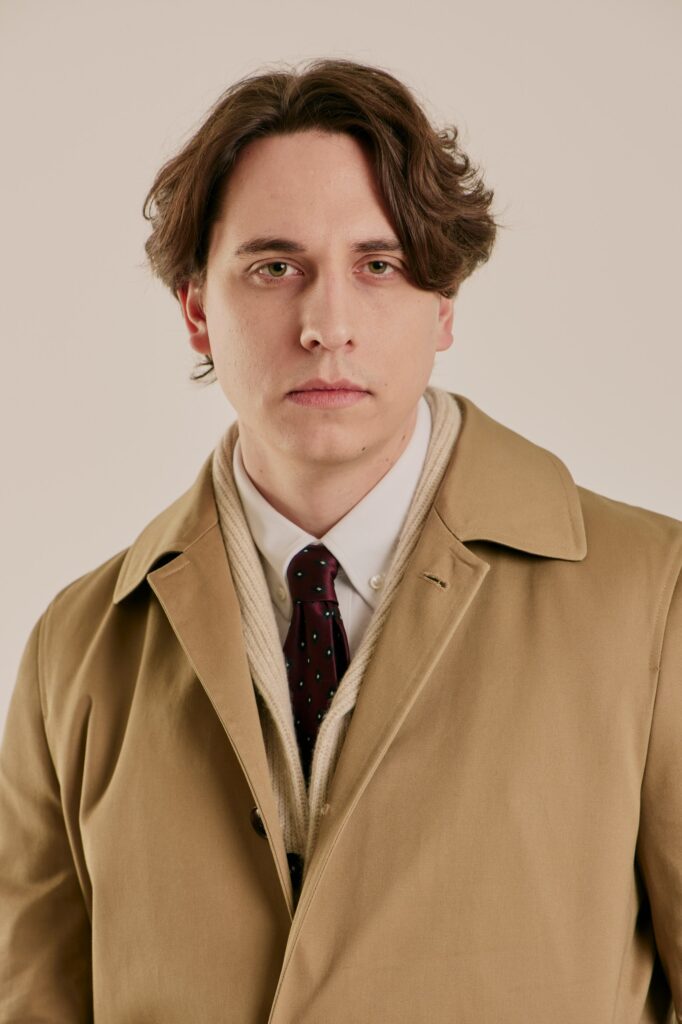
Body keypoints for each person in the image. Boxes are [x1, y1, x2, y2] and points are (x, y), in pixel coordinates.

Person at [0, 57, 680, 1024]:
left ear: (444, 305)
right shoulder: (75, 652)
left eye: (379, 265)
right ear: (197, 310)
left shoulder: (654, 599)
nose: (327, 326)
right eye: (274, 268)